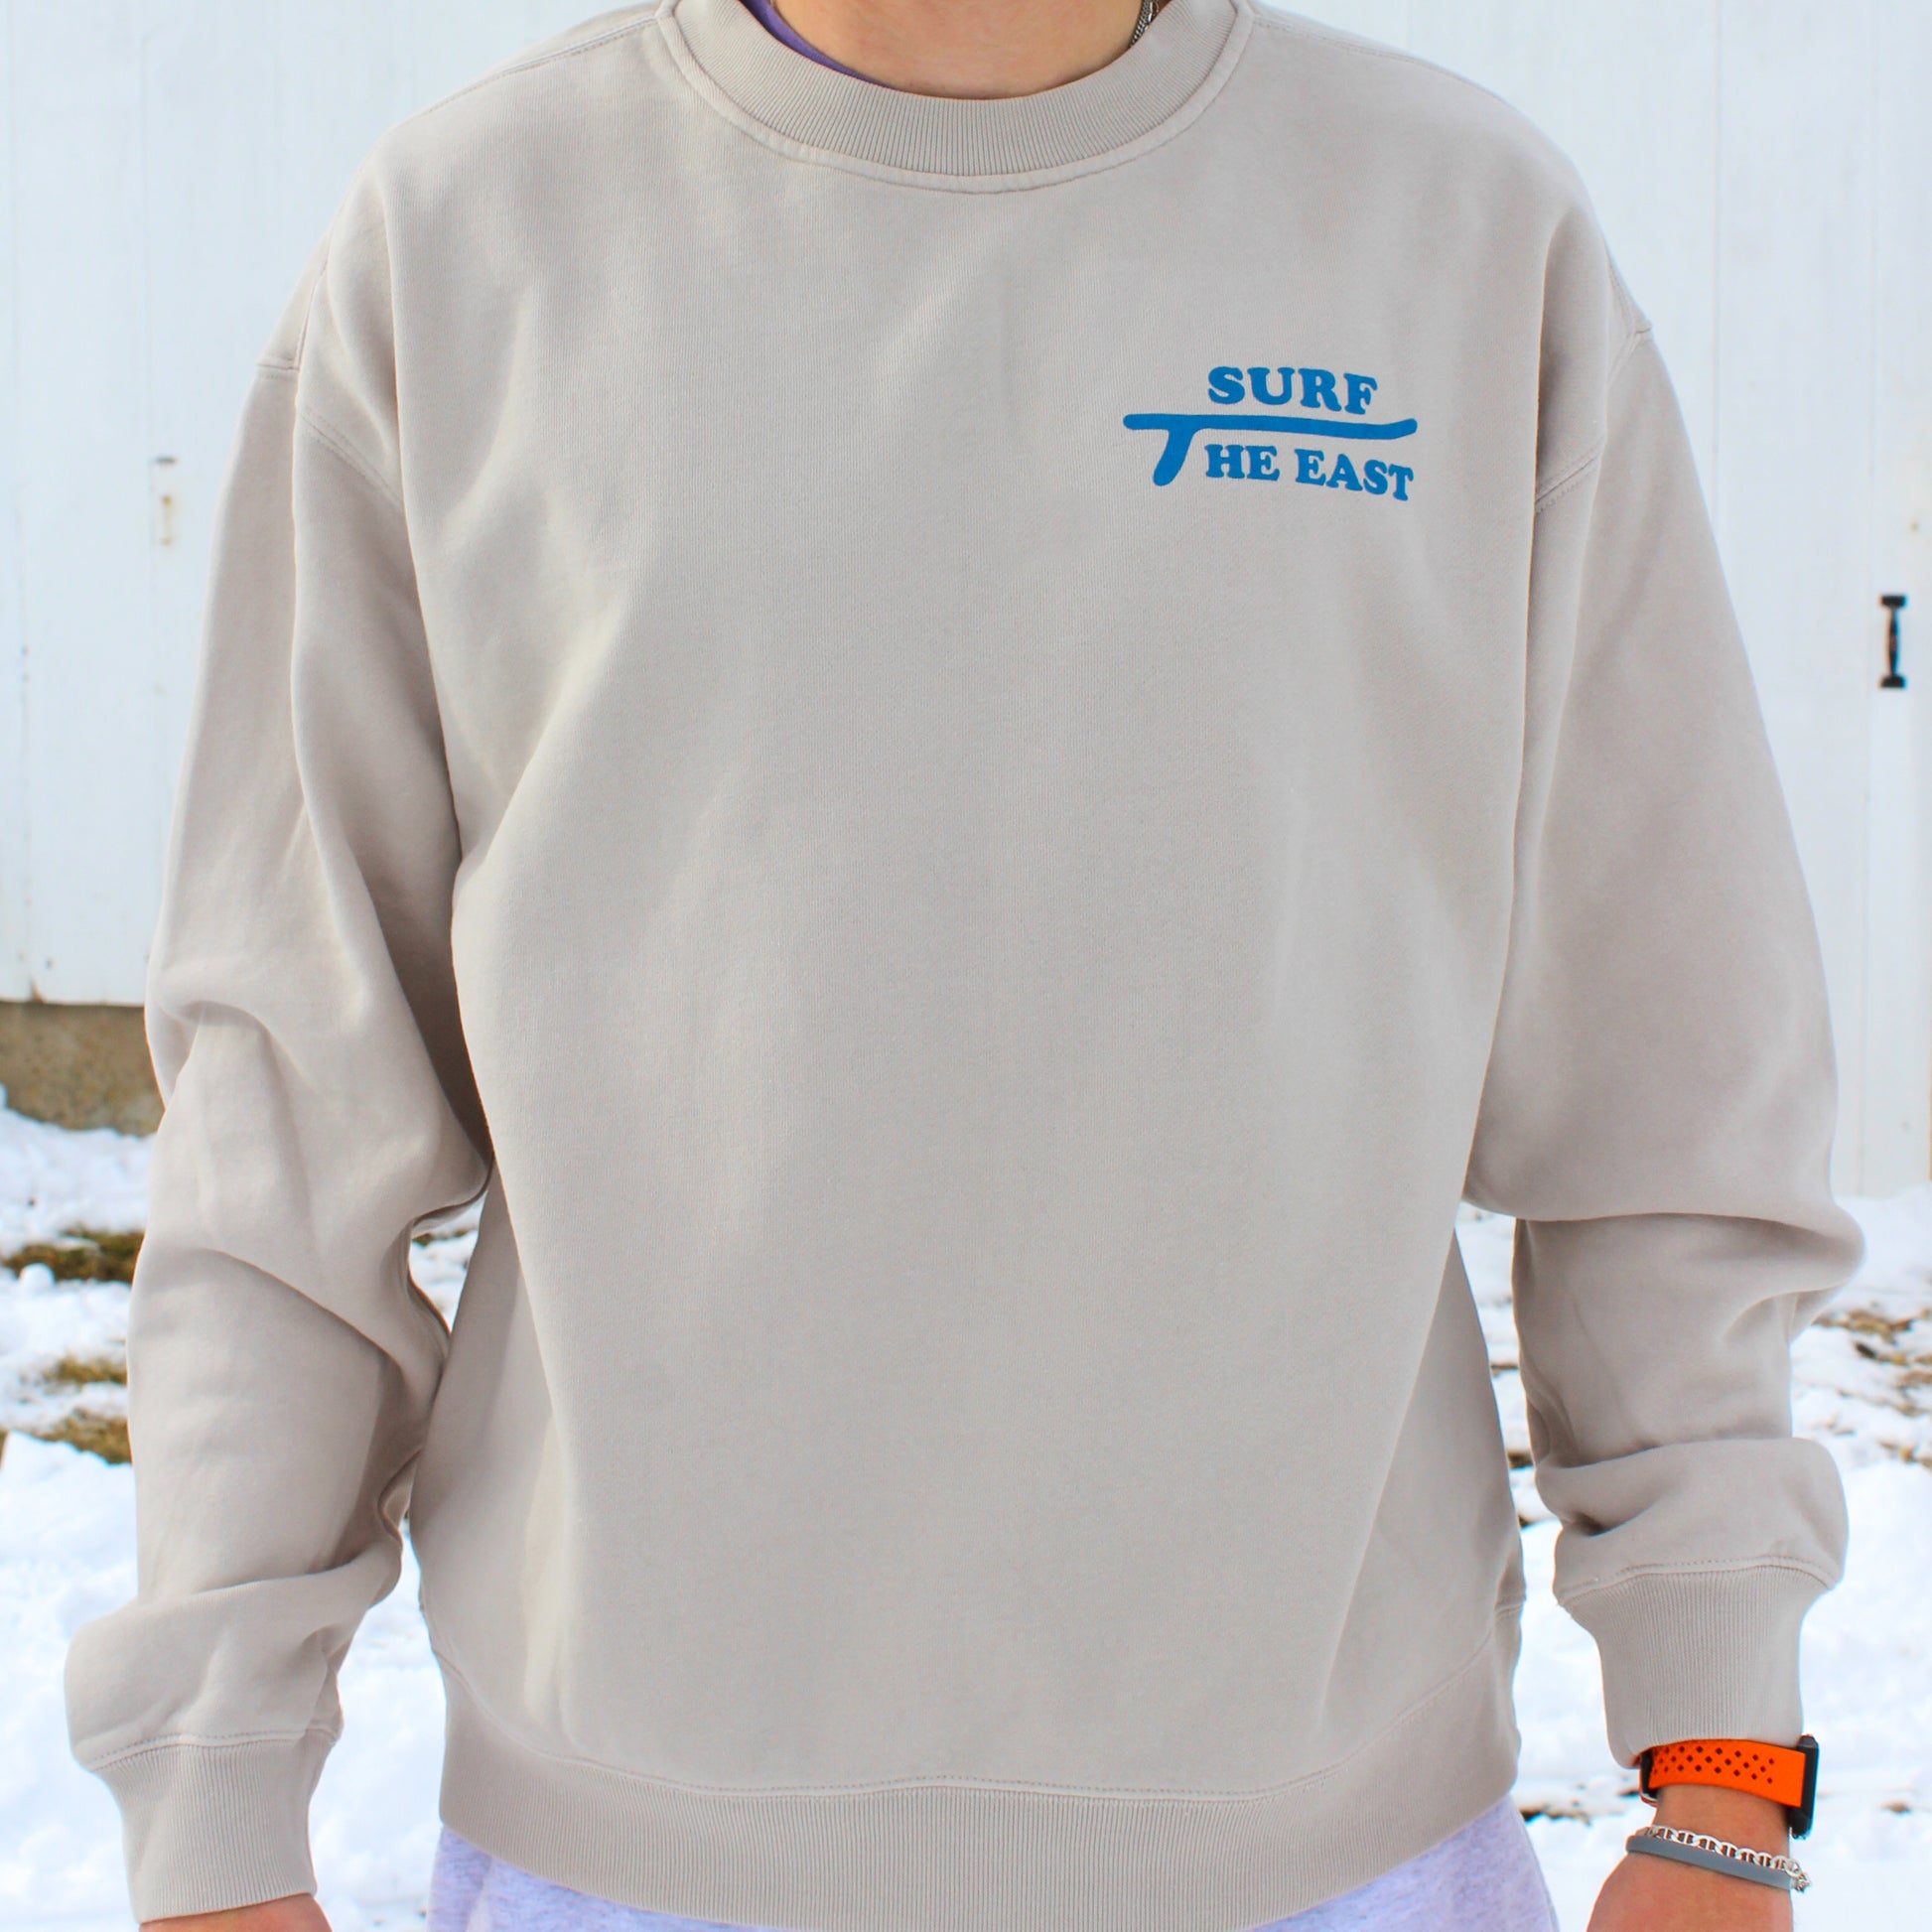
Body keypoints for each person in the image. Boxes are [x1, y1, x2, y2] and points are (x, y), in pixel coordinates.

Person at [65, 2, 1858, 1929]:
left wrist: (1722, 1771)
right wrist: (212, 1807)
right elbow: (289, 1113)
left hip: (1340, 1866)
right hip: (630, 1872)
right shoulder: (464, 239)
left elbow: (1667, 1067)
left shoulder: (1460, 233)